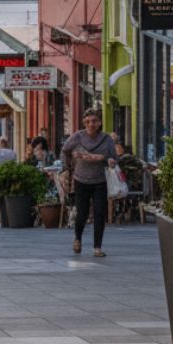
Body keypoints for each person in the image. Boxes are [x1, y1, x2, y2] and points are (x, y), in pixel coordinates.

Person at [61, 108, 117, 257]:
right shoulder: (78, 137)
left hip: (100, 181)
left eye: (94, 121)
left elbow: (114, 158)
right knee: (82, 213)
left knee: (99, 213)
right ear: (84, 123)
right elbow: (65, 150)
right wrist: (66, 168)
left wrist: (107, 160)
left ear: (99, 123)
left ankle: (97, 247)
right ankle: (77, 239)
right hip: (81, 180)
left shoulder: (107, 139)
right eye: (88, 122)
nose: (91, 124)